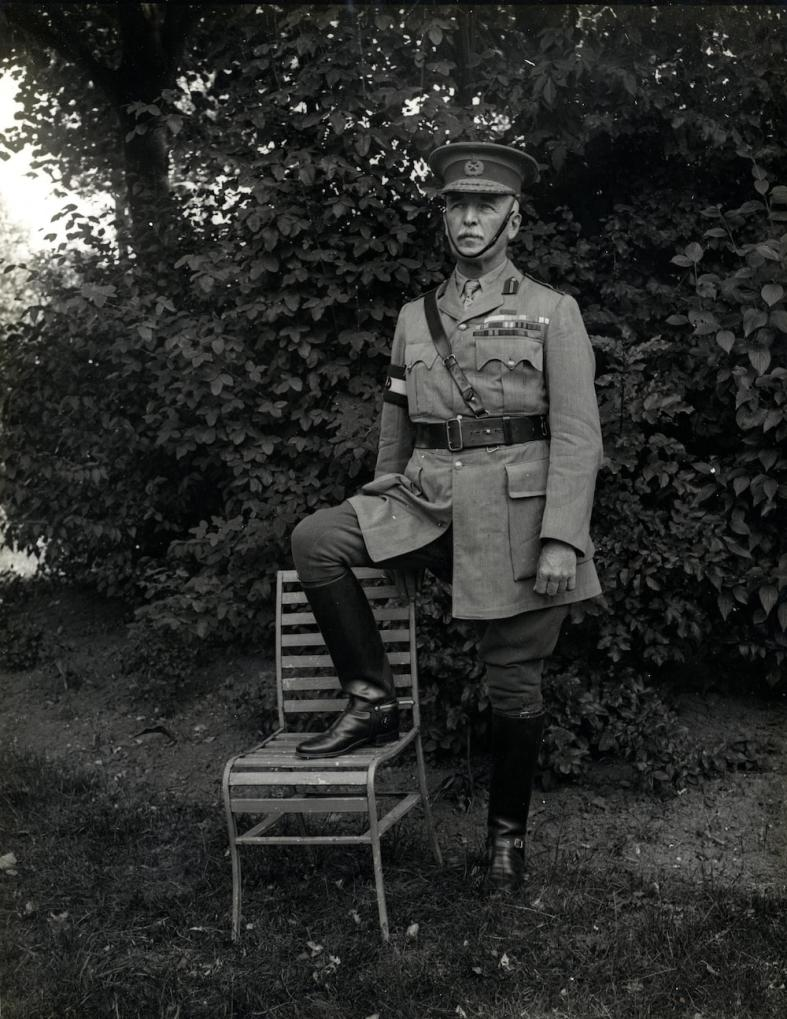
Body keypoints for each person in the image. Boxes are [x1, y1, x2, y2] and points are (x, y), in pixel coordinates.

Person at [290, 141, 602, 891]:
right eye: (455, 206)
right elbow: (395, 421)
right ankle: (371, 698)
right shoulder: (412, 318)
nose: (467, 218)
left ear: (512, 219)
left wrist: (562, 536)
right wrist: (381, 512)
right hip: (426, 499)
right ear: (443, 218)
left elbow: (577, 434)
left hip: (516, 515)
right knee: (318, 538)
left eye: (484, 205)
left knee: (513, 687)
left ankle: (505, 840)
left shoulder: (550, 312)